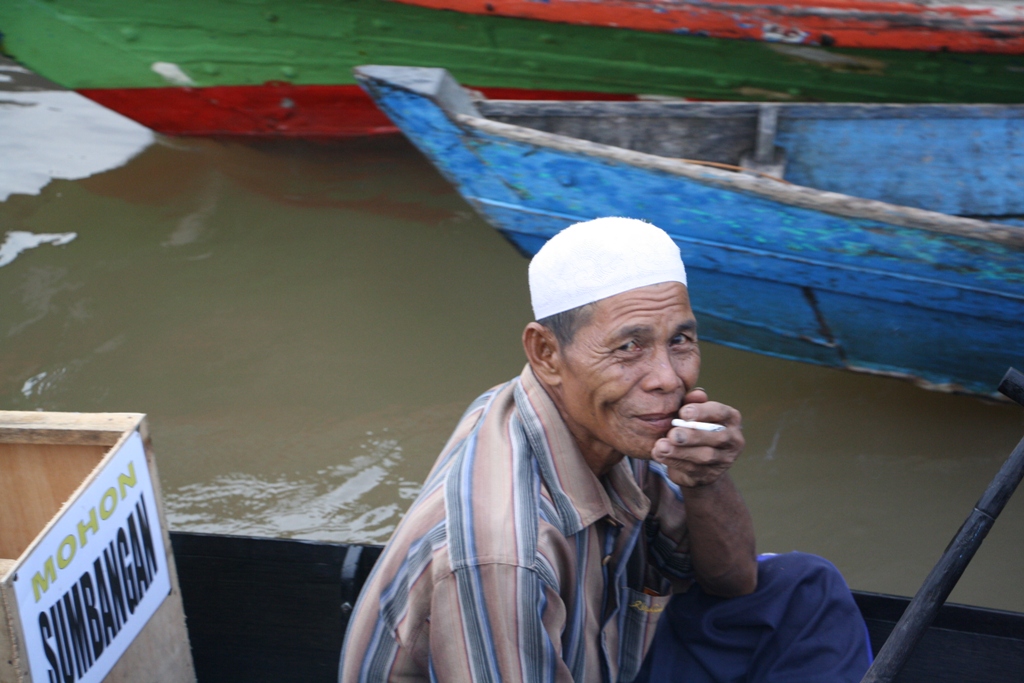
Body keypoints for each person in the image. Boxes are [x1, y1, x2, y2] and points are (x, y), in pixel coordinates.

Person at [339, 217, 872, 682]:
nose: (667, 378)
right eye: (629, 347)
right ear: (546, 353)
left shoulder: (610, 417)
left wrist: (704, 480)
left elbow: (732, 583)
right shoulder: (506, 554)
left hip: (611, 658)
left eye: (680, 341)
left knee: (804, 590)